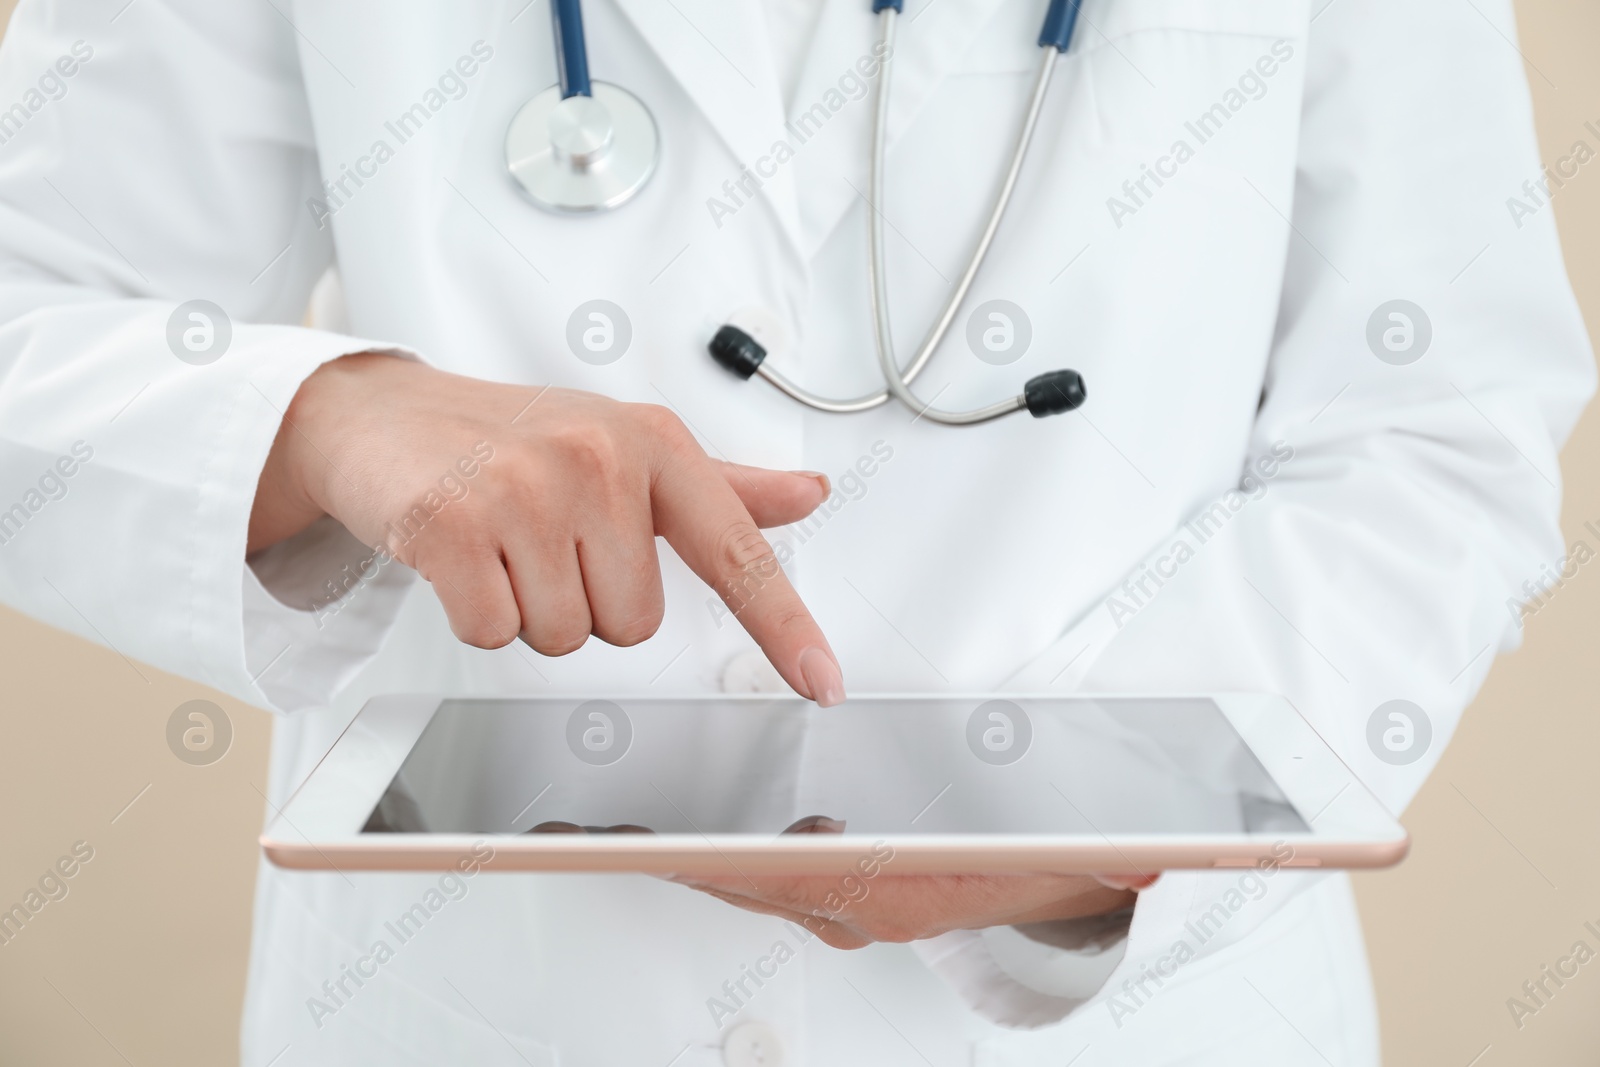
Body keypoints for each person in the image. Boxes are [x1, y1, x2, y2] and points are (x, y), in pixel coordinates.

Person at [0, 0, 1589, 1063]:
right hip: (490, 1001)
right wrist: (326, 414)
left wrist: (1089, 794)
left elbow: (1441, 416)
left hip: (1135, 1015)